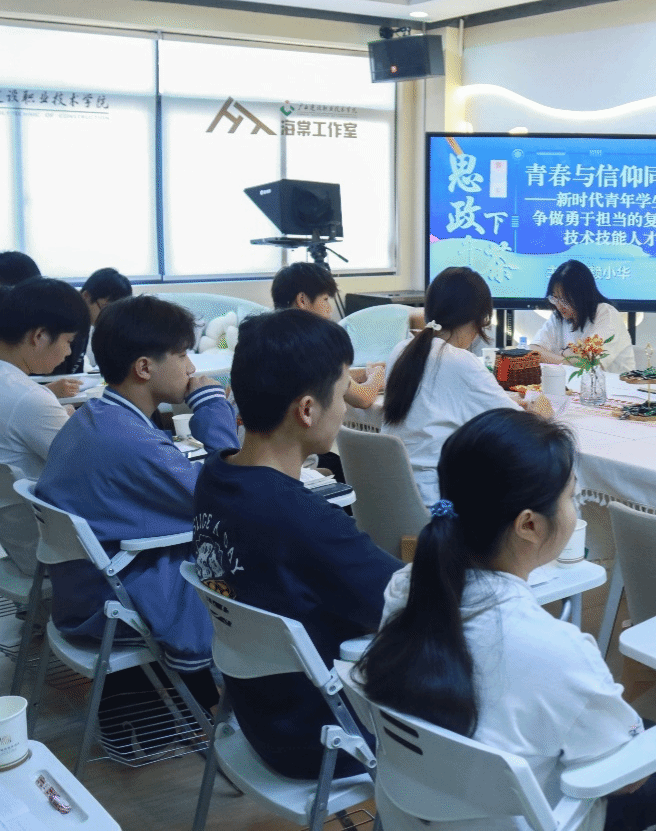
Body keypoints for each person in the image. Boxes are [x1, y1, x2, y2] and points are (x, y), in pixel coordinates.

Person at [360, 409, 656, 831]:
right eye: (571, 496)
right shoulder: (554, 649)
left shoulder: (406, 590)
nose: (575, 507)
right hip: (545, 819)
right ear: (529, 525)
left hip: (415, 814)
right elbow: (628, 779)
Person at [193, 309, 400, 780]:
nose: (345, 409)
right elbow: (406, 602)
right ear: (307, 410)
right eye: (342, 394)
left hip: (258, 720)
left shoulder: (215, 477)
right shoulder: (301, 519)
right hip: (330, 736)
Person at [36, 294, 239, 677]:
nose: (191, 367)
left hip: (80, 591)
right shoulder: (130, 441)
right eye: (182, 355)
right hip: (112, 600)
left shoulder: (93, 417)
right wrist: (213, 408)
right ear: (144, 367)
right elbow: (228, 499)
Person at [382, 267, 521, 503]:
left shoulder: (401, 350)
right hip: (436, 503)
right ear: (478, 318)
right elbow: (518, 425)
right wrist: (541, 410)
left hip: (392, 498)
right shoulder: (461, 361)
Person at [0, 278, 90, 574]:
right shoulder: (30, 398)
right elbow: (88, 471)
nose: (68, 353)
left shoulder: (16, 389)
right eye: (68, 341)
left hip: (15, 540)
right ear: (39, 336)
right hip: (52, 550)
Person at [271, 262, 385, 409]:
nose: (329, 310)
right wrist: (377, 376)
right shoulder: (311, 345)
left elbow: (326, 376)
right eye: (325, 300)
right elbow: (363, 398)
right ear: (302, 300)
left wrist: (364, 373)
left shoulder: (265, 337)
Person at [530, 260, 634, 374]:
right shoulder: (558, 316)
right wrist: (567, 359)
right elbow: (533, 351)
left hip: (614, 384)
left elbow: (589, 363)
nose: (559, 305)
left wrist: (562, 352)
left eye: (565, 300)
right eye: (555, 298)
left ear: (582, 296)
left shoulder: (606, 314)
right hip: (572, 383)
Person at [51, 266, 133, 375]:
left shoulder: (85, 324)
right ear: (86, 296)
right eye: (105, 309)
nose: (108, 317)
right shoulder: (63, 323)